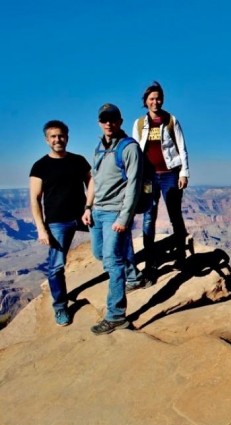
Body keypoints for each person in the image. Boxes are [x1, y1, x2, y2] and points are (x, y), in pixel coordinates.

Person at [82, 104, 143, 335]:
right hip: (97, 211)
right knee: (99, 254)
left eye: (113, 119)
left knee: (112, 261)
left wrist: (124, 218)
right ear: (99, 122)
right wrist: (88, 207)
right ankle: (134, 276)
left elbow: (135, 185)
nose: (109, 123)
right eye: (104, 119)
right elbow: (94, 181)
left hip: (115, 213)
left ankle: (116, 315)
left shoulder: (129, 148)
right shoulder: (99, 148)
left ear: (120, 120)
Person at [29, 120, 91, 326]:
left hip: (83, 216)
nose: (58, 139)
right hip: (57, 222)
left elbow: (91, 181)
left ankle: (130, 276)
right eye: (53, 136)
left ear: (67, 137)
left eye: (61, 135)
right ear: (47, 140)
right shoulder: (40, 166)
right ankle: (61, 307)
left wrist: (90, 206)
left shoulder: (78, 160)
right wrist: (41, 228)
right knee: (56, 266)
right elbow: (34, 199)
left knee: (114, 236)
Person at [132, 81, 190, 279]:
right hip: (149, 177)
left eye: (158, 98)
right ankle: (150, 260)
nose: (155, 102)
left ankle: (181, 256)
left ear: (162, 100)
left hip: (170, 174)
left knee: (175, 214)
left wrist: (184, 173)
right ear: (146, 102)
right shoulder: (139, 124)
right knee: (149, 216)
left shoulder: (171, 120)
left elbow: (181, 147)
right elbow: (135, 152)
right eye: (151, 99)